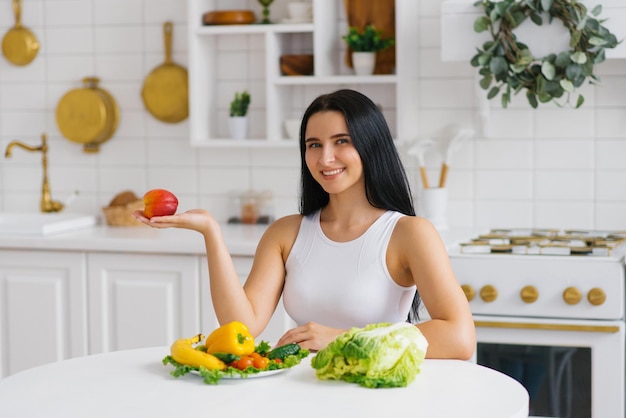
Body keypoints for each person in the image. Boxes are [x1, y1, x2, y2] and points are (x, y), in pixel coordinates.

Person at [133, 89, 475, 359]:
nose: (325, 158)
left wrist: (339, 339)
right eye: (314, 145)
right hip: (301, 391)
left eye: (342, 141)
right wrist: (210, 231)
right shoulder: (286, 233)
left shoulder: (409, 234)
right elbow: (243, 328)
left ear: (370, 146)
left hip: (376, 396)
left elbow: (460, 338)